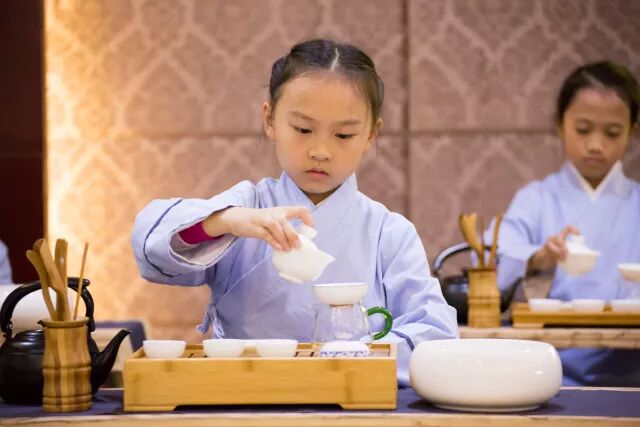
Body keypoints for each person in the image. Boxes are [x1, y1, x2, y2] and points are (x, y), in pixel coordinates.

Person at [131, 39, 458, 386]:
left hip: (353, 397)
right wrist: (225, 222)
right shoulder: (245, 208)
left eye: (344, 134)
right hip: (243, 391)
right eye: (303, 129)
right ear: (270, 119)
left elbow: (434, 332)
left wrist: (348, 355)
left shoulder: (388, 232)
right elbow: (153, 243)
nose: (320, 150)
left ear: (371, 134)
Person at [494, 60, 640, 386]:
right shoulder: (536, 199)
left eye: (612, 132)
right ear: (560, 125)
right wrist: (539, 257)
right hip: (546, 372)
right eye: (583, 129)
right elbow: (495, 259)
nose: (596, 145)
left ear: (632, 131)